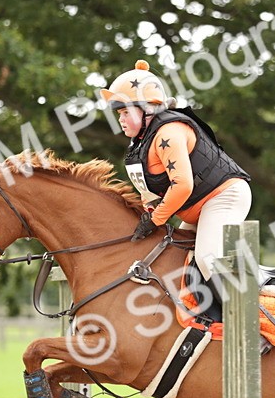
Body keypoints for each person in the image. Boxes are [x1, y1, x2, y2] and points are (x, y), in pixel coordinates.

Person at [101, 59, 254, 331]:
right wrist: (149, 214)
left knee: (207, 258)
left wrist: (156, 219)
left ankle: (246, 322)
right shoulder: (139, 144)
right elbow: (150, 193)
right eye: (119, 113)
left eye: (125, 112)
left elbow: (181, 186)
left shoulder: (167, 134)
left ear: (147, 110)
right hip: (196, 208)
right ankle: (206, 319)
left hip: (224, 196)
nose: (121, 119)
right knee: (174, 257)